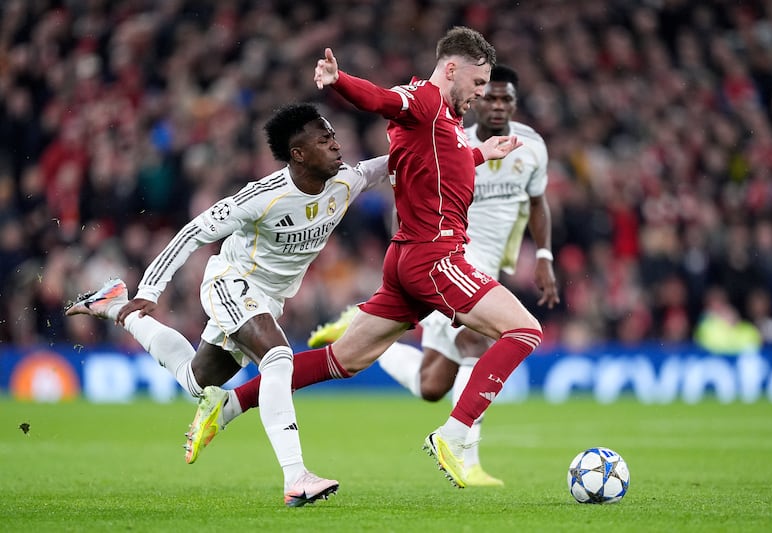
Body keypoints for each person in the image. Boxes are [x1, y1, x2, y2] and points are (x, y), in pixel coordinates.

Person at [188, 26, 544, 490]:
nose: (480, 95)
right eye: (478, 84)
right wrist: (340, 81)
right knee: (524, 330)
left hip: (408, 260)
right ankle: (455, 436)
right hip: (433, 257)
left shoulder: (443, 123)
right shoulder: (426, 100)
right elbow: (382, 100)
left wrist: (478, 154)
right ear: (451, 69)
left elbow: (427, 166)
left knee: (343, 360)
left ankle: (228, 405)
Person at [66, 103, 392, 507]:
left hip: (269, 298)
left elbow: (389, 164)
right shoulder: (262, 197)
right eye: (324, 139)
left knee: (196, 380)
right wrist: (150, 289)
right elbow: (192, 232)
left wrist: (454, 148)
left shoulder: (346, 181)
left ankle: (113, 306)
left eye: (334, 137)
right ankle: (296, 476)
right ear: (299, 153)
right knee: (278, 358)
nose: (336, 145)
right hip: (231, 282)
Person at [307, 64, 560, 487]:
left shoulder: (507, 142)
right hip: (448, 257)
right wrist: (340, 81)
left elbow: (535, 200)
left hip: (458, 258)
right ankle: (462, 447)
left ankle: (366, 330)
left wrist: (545, 254)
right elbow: (386, 109)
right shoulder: (432, 115)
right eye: (484, 90)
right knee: (497, 335)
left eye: (502, 97)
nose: (491, 100)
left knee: (431, 384)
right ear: (462, 80)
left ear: (515, 103)